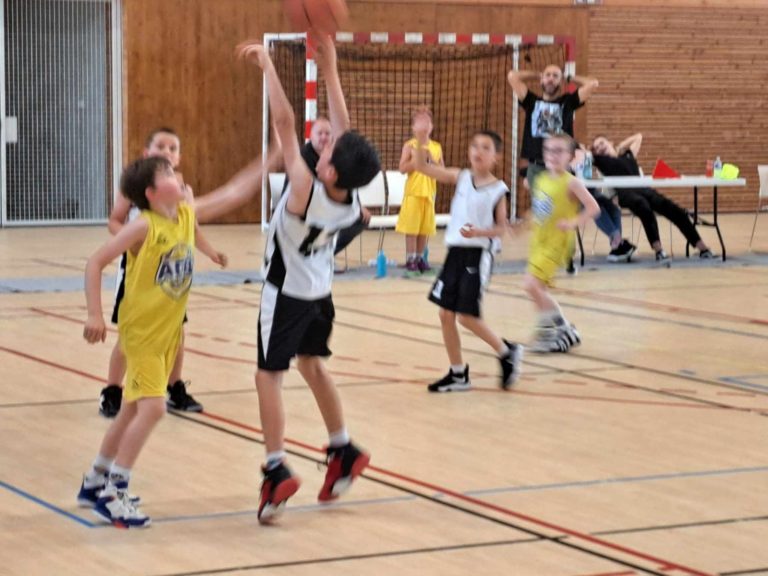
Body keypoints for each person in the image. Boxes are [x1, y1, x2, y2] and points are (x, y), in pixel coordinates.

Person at [77, 148, 278, 528]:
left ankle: (94, 480)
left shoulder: (184, 214)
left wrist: (268, 160)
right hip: (142, 334)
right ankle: (114, 491)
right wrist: (95, 314)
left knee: (132, 409)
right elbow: (95, 262)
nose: (178, 175)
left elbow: (233, 193)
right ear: (151, 194)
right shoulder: (143, 226)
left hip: (167, 331)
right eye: (167, 173)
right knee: (154, 408)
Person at [237, 33, 378, 524]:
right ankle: (342, 447)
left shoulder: (303, 188)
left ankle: (275, 466)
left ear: (332, 170)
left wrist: (268, 67)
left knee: (268, 375)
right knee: (312, 364)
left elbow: (283, 123)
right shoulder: (352, 198)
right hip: (320, 293)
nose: (326, 145)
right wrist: (329, 66)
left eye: (330, 150)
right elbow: (345, 131)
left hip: (286, 293)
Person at [98, 128, 226, 418]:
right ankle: (112, 390)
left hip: (171, 274)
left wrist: (210, 251)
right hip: (140, 271)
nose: (167, 152)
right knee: (129, 338)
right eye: (161, 146)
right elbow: (114, 220)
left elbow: (192, 227)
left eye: (173, 148)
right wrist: (132, 241)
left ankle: (173, 386)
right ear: (146, 153)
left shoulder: (178, 190)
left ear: (178, 157)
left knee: (176, 332)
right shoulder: (134, 187)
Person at [412, 130, 523, 392]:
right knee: (445, 314)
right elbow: (421, 167)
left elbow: (501, 228)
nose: (478, 151)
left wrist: (478, 233)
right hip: (455, 253)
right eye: (475, 146)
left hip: (478, 255)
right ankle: (458, 373)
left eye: (485, 147)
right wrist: (421, 138)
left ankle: (506, 351)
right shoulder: (460, 177)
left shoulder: (498, 190)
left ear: (496, 156)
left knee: (466, 316)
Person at [525, 134, 600, 353]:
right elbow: (540, 209)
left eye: (558, 151)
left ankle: (558, 329)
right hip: (540, 240)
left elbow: (593, 207)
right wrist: (522, 224)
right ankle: (556, 330)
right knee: (537, 289)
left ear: (570, 156)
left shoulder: (572, 182)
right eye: (548, 150)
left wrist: (573, 222)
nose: (552, 155)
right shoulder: (541, 179)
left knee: (530, 284)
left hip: (557, 243)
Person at [591, 133, 716, 262]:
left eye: (602, 143)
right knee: (644, 207)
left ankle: (703, 249)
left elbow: (638, 137)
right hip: (626, 194)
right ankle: (659, 251)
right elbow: (584, 154)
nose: (600, 147)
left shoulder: (628, 155)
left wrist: (620, 146)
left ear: (610, 143)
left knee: (676, 211)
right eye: (596, 147)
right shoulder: (601, 161)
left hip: (644, 190)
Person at [281, 116, 371, 258]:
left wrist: (357, 206)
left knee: (359, 219)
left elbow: (346, 182)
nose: (323, 137)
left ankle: (326, 253)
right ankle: (312, 252)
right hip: (301, 208)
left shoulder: (337, 156)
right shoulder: (303, 157)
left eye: (327, 133)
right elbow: (310, 189)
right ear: (311, 136)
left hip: (325, 206)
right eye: (319, 133)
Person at [507, 65, 599, 191]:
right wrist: (538, 74)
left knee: (561, 200)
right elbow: (512, 76)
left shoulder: (567, 101)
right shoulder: (531, 101)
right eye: (548, 75)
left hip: (561, 166)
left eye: (555, 76)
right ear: (542, 80)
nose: (551, 79)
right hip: (537, 166)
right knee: (542, 202)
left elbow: (593, 83)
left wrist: (568, 77)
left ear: (561, 82)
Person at [396, 106, 443, 275]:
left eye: (427, 122)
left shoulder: (436, 147)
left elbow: (442, 170)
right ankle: (411, 258)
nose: (424, 126)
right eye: (420, 122)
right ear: (413, 127)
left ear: (432, 126)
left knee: (424, 229)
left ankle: (421, 257)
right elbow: (402, 168)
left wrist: (430, 159)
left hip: (429, 194)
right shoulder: (410, 146)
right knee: (412, 229)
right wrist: (416, 162)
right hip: (414, 193)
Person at [571, 145, 636, 262]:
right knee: (597, 208)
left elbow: (593, 180)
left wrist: (592, 170)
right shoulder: (567, 163)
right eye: (581, 149)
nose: (583, 151)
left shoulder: (588, 159)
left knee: (614, 209)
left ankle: (617, 244)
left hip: (592, 193)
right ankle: (618, 242)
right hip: (575, 198)